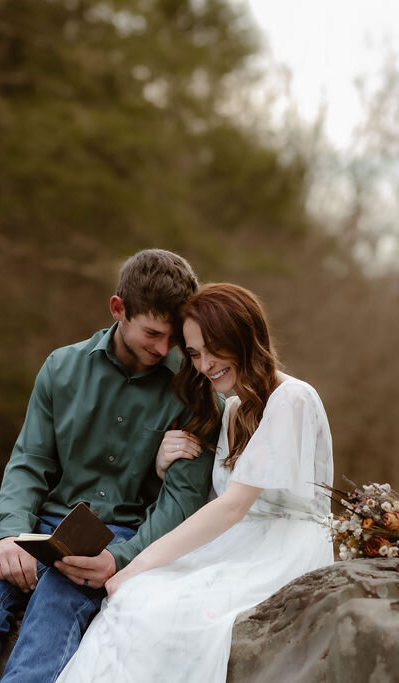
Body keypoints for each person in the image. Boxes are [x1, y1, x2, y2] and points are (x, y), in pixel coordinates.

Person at [0, 249, 216, 683]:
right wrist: (7, 535)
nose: (164, 348)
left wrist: (119, 560)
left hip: (125, 533)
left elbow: (181, 502)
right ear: (119, 309)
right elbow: (29, 463)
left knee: (57, 604)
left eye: (172, 336)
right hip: (41, 523)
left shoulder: (194, 390)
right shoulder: (61, 367)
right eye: (153, 334)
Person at [56, 283, 335, 682]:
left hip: (283, 544)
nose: (204, 365)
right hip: (237, 541)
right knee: (135, 599)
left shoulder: (292, 398)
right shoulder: (234, 406)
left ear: (244, 337)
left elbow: (233, 506)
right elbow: (212, 499)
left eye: (213, 349)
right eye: (194, 354)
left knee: (163, 608)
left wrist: (136, 564)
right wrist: (161, 466)